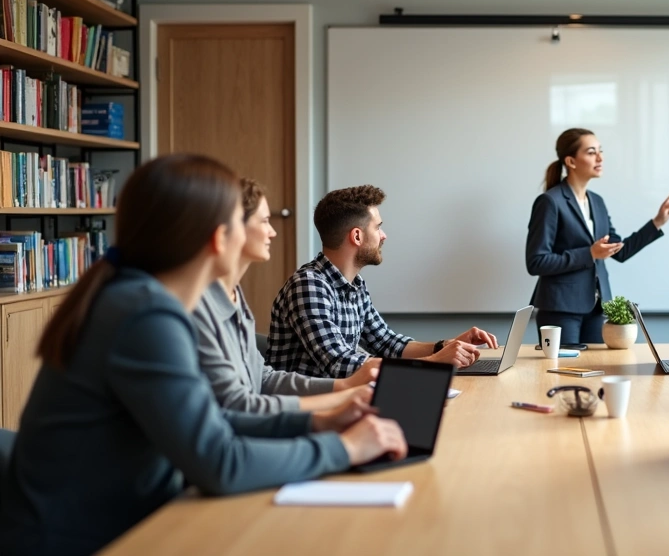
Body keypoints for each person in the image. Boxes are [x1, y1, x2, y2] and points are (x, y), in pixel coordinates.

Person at [0, 154, 405, 555]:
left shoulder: (138, 297)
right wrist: (346, 448)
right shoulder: (145, 314)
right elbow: (219, 461)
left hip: (128, 518)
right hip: (87, 538)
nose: (267, 231)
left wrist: (321, 422)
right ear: (219, 236)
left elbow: (211, 421)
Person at [266, 185, 496, 378]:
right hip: (308, 409)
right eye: (378, 227)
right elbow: (338, 364)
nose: (383, 235)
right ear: (357, 236)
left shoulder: (354, 284)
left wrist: (445, 346)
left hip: (344, 400)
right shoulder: (308, 286)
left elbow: (386, 343)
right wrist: (435, 362)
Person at [194, 178, 380, 413]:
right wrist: (337, 407)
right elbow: (238, 407)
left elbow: (263, 380)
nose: (272, 232)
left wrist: (347, 388)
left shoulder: (234, 296)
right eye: (264, 221)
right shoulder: (197, 308)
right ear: (225, 232)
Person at [525, 127, 669, 345]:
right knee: (560, 375)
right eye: (591, 152)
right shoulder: (550, 202)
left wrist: (657, 222)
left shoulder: (597, 202)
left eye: (600, 151)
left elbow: (621, 250)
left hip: (596, 308)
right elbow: (536, 262)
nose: (600, 157)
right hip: (560, 309)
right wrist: (589, 253)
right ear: (570, 161)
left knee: (595, 374)